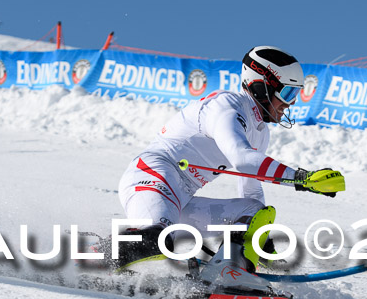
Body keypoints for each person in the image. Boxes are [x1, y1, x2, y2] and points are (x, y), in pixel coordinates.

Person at [115, 45, 344, 272]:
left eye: (296, 94)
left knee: (255, 210)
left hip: (181, 199)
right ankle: (87, 260)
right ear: (262, 86)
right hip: (152, 178)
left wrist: (259, 241)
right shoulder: (226, 107)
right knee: (156, 241)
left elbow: (250, 191)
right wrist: (300, 178)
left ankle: (231, 271)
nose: (291, 103)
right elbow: (243, 159)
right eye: (288, 93)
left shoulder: (260, 132)